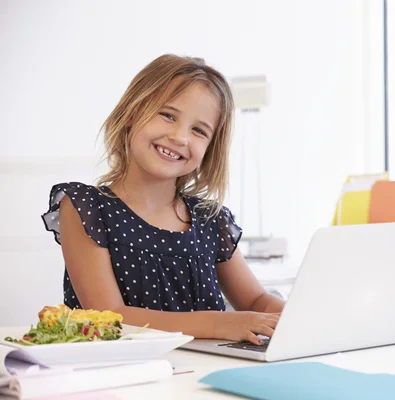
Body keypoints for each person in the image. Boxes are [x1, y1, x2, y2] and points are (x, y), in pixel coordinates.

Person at [42, 54, 284, 345]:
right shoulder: (86, 208)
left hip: (201, 376)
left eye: (199, 130)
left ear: (210, 148)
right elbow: (108, 315)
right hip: (119, 377)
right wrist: (219, 323)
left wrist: (299, 316)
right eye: (168, 115)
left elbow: (256, 299)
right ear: (132, 113)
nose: (180, 137)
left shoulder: (210, 219)